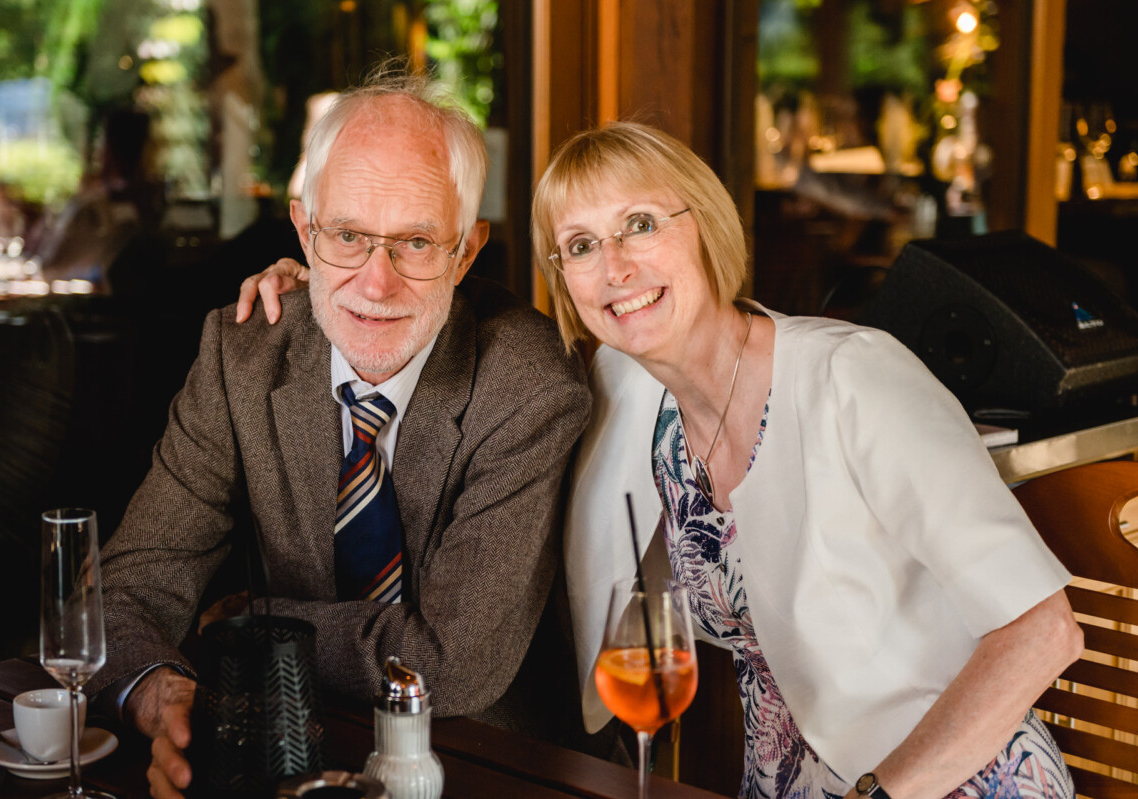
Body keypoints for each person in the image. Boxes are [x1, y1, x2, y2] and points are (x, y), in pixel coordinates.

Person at [238, 122, 1084, 797]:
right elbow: (454, 327)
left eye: (640, 224)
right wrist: (325, 288)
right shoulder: (629, 388)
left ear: (705, 225)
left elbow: (1043, 629)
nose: (615, 268)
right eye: (579, 246)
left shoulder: (854, 377)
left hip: (946, 778)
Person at [89, 69, 593, 798]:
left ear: (466, 251)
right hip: (284, 755)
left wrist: (255, 624)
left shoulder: (527, 383)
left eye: (415, 241)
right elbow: (127, 588)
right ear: (305, 231)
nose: (375, 283)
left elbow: (451, 664)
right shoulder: (244, 354)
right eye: (348, 236)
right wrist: (158, 691)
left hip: (484, 767)